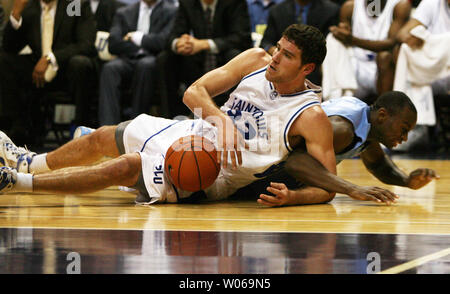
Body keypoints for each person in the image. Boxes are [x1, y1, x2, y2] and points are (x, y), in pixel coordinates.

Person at [0, 24, 396, 205]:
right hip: (193, 130)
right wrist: (219, 118)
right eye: (278, 48)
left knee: (127, 165)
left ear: (307, 69)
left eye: (287, 56)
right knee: (106, 134)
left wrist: (292, 198)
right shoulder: (256, 59)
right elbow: (195, 91)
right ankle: (29, 160)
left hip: (210, 172)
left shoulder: (311, 117)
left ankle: (15, 182)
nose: (275, 57)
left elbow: (328, 186)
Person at [249, 92, 439, 207]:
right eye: (403, 129)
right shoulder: (343, 130)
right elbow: (295, 161)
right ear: (382, 115)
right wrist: (352, 189)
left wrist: (407, 181)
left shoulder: (365, 121)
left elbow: (379, 166)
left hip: (266, 167)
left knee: (327, 184)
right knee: (327, 191)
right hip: (256, 174)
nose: (404, 138)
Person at [0, 0, 97, 146]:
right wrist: (16, 15)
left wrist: (50, 58)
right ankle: (14, 131)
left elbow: (85, 44)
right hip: (36, 71)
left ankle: (82, 131)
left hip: (66, 68)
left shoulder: (73, 5)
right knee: (4, 61)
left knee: (81, 64)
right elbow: (9, 47)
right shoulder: (29, 6)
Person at [157, 0, 253, 118]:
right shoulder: (187, 3)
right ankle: (173, 117)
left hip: (224, 58)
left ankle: (234, 113)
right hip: (197, 60)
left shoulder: (234, 3)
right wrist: (179, 44)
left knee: (234, 54)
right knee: (165, 59)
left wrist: (205, 44)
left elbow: (242, 38)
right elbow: (172, 36)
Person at [98, 0, 177, 125]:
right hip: (128, 58)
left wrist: (136, 38)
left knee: (146, 65)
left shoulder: (172, 11)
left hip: (154, 60)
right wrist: (142, 47)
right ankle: (108, 127)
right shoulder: (124, 12)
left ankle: (135, 126)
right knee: (110, 68)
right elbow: (113, 43)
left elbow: (164, 41)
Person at [325, 0, 411, 102]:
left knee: (385, 56)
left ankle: (384, 109)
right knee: (332, 40)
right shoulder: (350, 6)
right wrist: (341, 32)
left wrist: (352, 40)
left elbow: (391, 43)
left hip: (383, 71)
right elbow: (344, 34)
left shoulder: (400, 5)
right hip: (355, 68)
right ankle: (336, 103)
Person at [260, 0, 340, 85]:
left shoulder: (331, 10)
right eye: (278, 48)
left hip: (316, 70)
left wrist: (287, 54)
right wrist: (282, 52)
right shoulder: (277, 10)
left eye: (286, 54)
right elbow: (266, 42)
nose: (275, 58)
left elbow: (329, 48)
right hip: (280, 70)